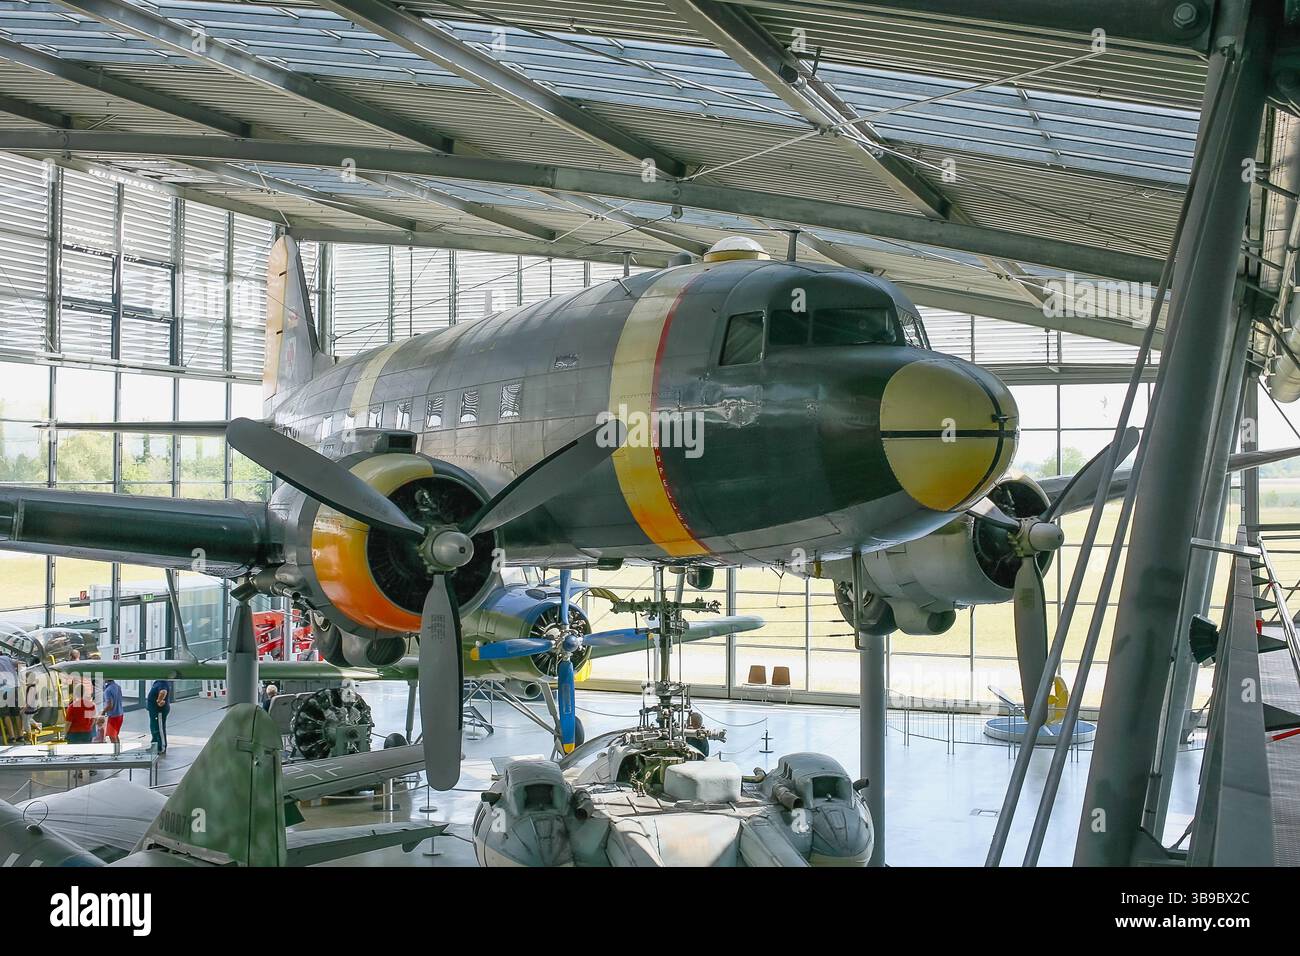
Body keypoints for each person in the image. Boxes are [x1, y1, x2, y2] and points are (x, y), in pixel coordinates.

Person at [145, 679, 171, 755]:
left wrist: (159, 700)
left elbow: (163, 691)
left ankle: (161, 748)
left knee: (159, 729)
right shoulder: (158, 682)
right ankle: (154, 746)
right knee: (154, 728)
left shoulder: (162, 683)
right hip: (154, 711)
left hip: (159, 711)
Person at [102, 677, 124, 744]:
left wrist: (102, 712)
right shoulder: (117, 686)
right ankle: (118, 751)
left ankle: (115, 753)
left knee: (112, 736)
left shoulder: (108, 690)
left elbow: (110, 706)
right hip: (120, 714)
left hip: (113, 716)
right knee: (115, 735)